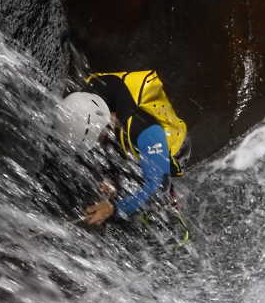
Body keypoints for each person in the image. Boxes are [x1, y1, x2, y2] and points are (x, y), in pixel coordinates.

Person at [54, 70, 191, 226]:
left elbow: (158, 185)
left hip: (172, 144)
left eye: (98, 139)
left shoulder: (142, 127)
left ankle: (171, 212)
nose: (98, 144)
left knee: (150, 193)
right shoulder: (82, 101)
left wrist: (114, 208)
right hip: (120, 128)